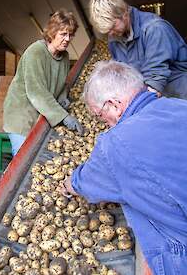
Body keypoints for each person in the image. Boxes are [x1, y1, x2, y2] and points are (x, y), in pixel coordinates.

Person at [62, 60, 187, 275]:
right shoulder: (179, 105)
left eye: (100, 115)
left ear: (114, 104)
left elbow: (85, 182)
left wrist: (69, 183)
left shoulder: (115, 143)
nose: (104, 123)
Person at [3, 9, 83, 155]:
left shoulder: (64, 57)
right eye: (63, 34)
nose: (67, 39)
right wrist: (64, 117)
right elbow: (36, 92)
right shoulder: (35, 52)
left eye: (71, 35)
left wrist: (63, 95)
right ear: (52, 33)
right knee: (23, 156)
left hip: (42, 113)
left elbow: (61, 82)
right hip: (22, 114)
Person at [89, 0, 187, 99]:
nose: (111, 33)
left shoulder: (154, 28)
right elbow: (124, 71)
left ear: (124, 14)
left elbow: (156, 75)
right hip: (150, 91)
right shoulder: (114, 38)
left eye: (113, 26)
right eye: (107, 30)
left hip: (178, 91)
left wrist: (141, 105)